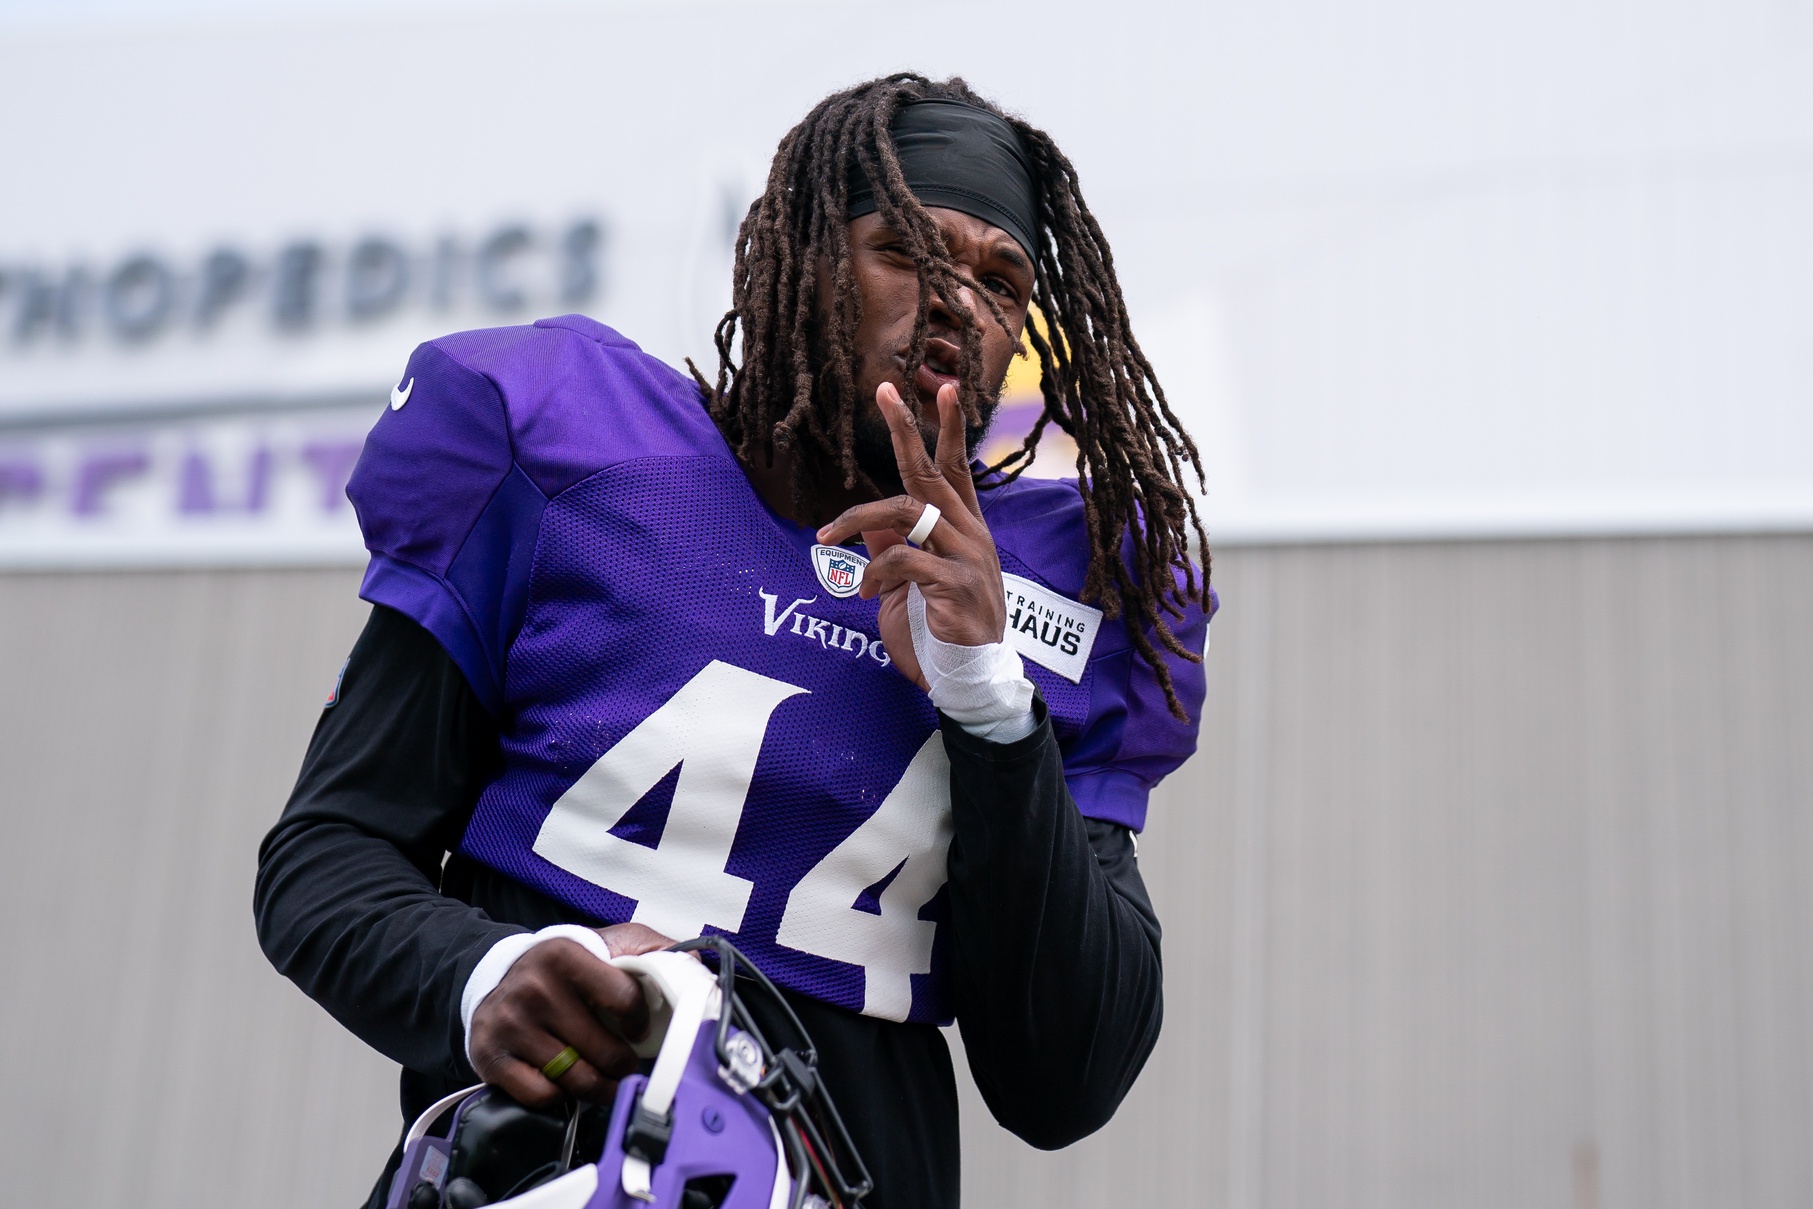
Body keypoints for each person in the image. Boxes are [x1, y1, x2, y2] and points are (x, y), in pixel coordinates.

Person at [255, 73, 1214, 1209]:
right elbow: (324, 860)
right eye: (905, 250)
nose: (960, 299)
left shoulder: (1060, 594)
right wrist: (484, 973)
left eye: (1002, 280)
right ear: (802, 256)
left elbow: (1067, 1081)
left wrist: (988, 701)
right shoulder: (573, 460)